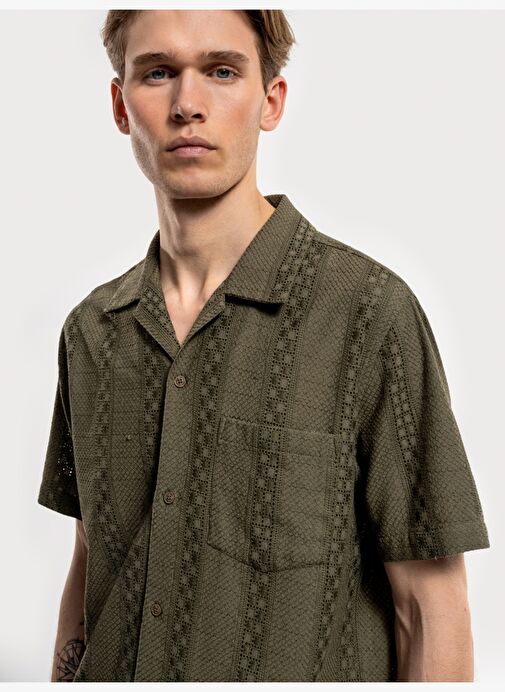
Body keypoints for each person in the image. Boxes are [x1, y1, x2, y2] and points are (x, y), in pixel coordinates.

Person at [37, 9, 490, 683]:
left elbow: (428, 608)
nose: (188, 105)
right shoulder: (91, 331)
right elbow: (89, 563)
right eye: (157, 73)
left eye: (221, 71)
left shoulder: (368, 314)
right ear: (120, 105)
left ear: (270, 100)